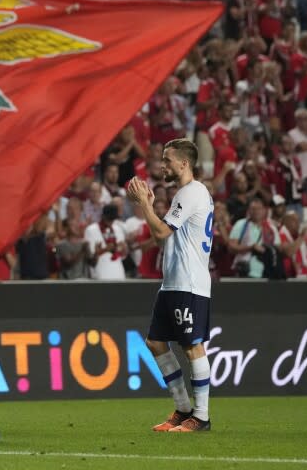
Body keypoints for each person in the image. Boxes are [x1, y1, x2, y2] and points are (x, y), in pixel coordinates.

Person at [127, 138, 214, 433]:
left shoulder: (192, 192)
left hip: (188, 282)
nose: (162, 165)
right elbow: (162, 234)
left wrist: (144, 206)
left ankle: (200, 417)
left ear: (184, 163)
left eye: (167, 160)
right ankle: (182, 409)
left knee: (192, 346)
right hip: (172, 283)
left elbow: (162, 231)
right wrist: (150, 207)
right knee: (155, 342)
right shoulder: (185, 194)